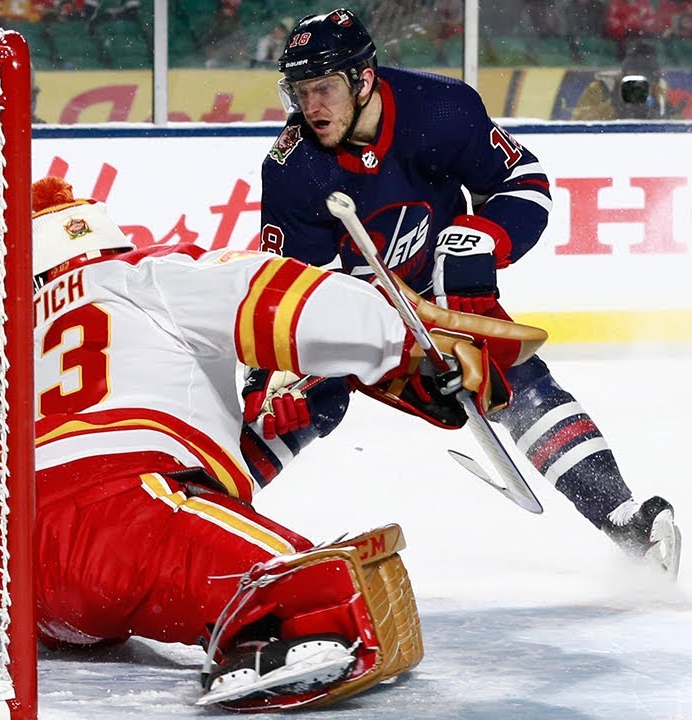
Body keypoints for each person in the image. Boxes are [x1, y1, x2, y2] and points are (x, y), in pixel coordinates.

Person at [0, 175, 550, 710]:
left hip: (11, 565)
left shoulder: (13, 344)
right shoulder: (145, 274)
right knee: (331, 595)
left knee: (105, 573)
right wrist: (405, 340)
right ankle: (274, 634)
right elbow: (276, 299)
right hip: (132, 514)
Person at [249, 8, 681, 576]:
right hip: (353, 305)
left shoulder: (442, 108)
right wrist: (273, 373)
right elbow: (289, 290)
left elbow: (523, 182)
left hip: (443, 293)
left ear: (364, 78)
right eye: (301, 92)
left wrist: (485, 239)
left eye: (325, 88)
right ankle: (194, 509)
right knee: (300, 401)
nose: (312, 107)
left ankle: (624, 520)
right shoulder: (292, 167)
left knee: (509, 372)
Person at [571, 40, 680, 120]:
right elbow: (577, 122)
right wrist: (612, 106)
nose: (637, 86)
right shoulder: (603, 88)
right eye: (632, 77)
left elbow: (678, 133)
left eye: (644, 80)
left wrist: (666, 116)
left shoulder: (660, 92)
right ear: (625, 73)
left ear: (653, 79)